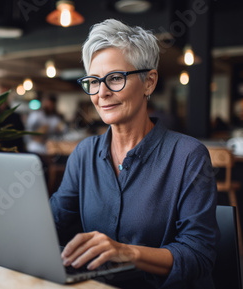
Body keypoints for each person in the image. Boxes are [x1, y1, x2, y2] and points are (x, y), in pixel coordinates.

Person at [49, 19, 219, 289]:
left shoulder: (188, 156)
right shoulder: (84, 154)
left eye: (115, 78)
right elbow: (54, 221)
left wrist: (126, 252)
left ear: (149, 82)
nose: (101, 93)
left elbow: (199, 256)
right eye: (93, 81)